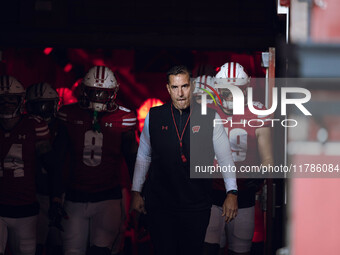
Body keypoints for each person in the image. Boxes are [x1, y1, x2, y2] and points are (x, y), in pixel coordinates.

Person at [130, 65, 238, 255]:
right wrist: (136, 191)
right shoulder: (154, 117)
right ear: (167, 89)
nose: (180, 93)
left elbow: (225, 158)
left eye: (185, 86)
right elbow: (143, 156)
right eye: (175, 87)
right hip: (161, 205)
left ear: (193, 86)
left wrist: (232, 192)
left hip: (196, 206)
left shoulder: (210, 117)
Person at [57, 66, 138, 255]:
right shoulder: (69, 114)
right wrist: (56, 194)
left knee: (101, 251)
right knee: (71, 251)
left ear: (113, 93)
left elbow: (133, 159)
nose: (99, 98)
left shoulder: (123, 118)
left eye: (104, 93)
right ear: (85, 91)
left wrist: (139, 193)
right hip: (75, 195)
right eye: (95, 92)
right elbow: (59, 159)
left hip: (107, 197)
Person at [203, 62, 274, 255]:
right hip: (212, 193)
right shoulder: (207, 110)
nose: (230, 95)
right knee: (208, 249)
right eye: (226, 90)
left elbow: (268, 159)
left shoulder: (259, 112)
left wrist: (258, 177)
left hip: (244, 196)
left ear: (246, 89)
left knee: (240, 251)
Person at [0, 76, 62, 255]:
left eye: (11, 99)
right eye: (2, 100)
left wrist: (56, 198)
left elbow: (52, 166)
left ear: (21, 101)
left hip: (26, 206)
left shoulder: (33, 125)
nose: (6, 104)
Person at [25, 82, 63, 255]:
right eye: (37, 106)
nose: (42, 110)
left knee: (59, 244)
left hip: (61, 193)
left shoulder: (64, 127)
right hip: (35, 193)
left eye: (46, 105)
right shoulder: (24, 126)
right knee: (35, 244)